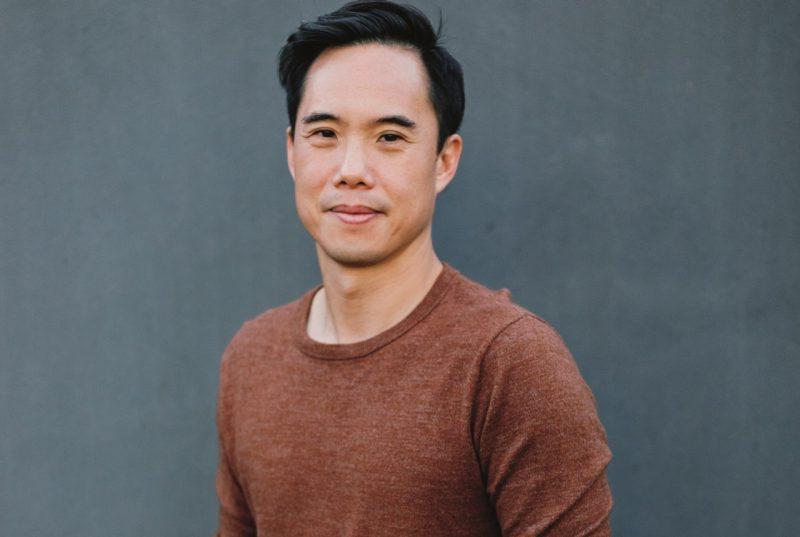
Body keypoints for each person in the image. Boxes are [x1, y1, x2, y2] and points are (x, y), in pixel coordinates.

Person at [213, 1, 613, 535]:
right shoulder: (251, 358)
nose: (352, 170)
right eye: (325, 134)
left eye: (390, 138)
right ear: (292, 152)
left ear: (444, 161)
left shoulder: (511, 365)